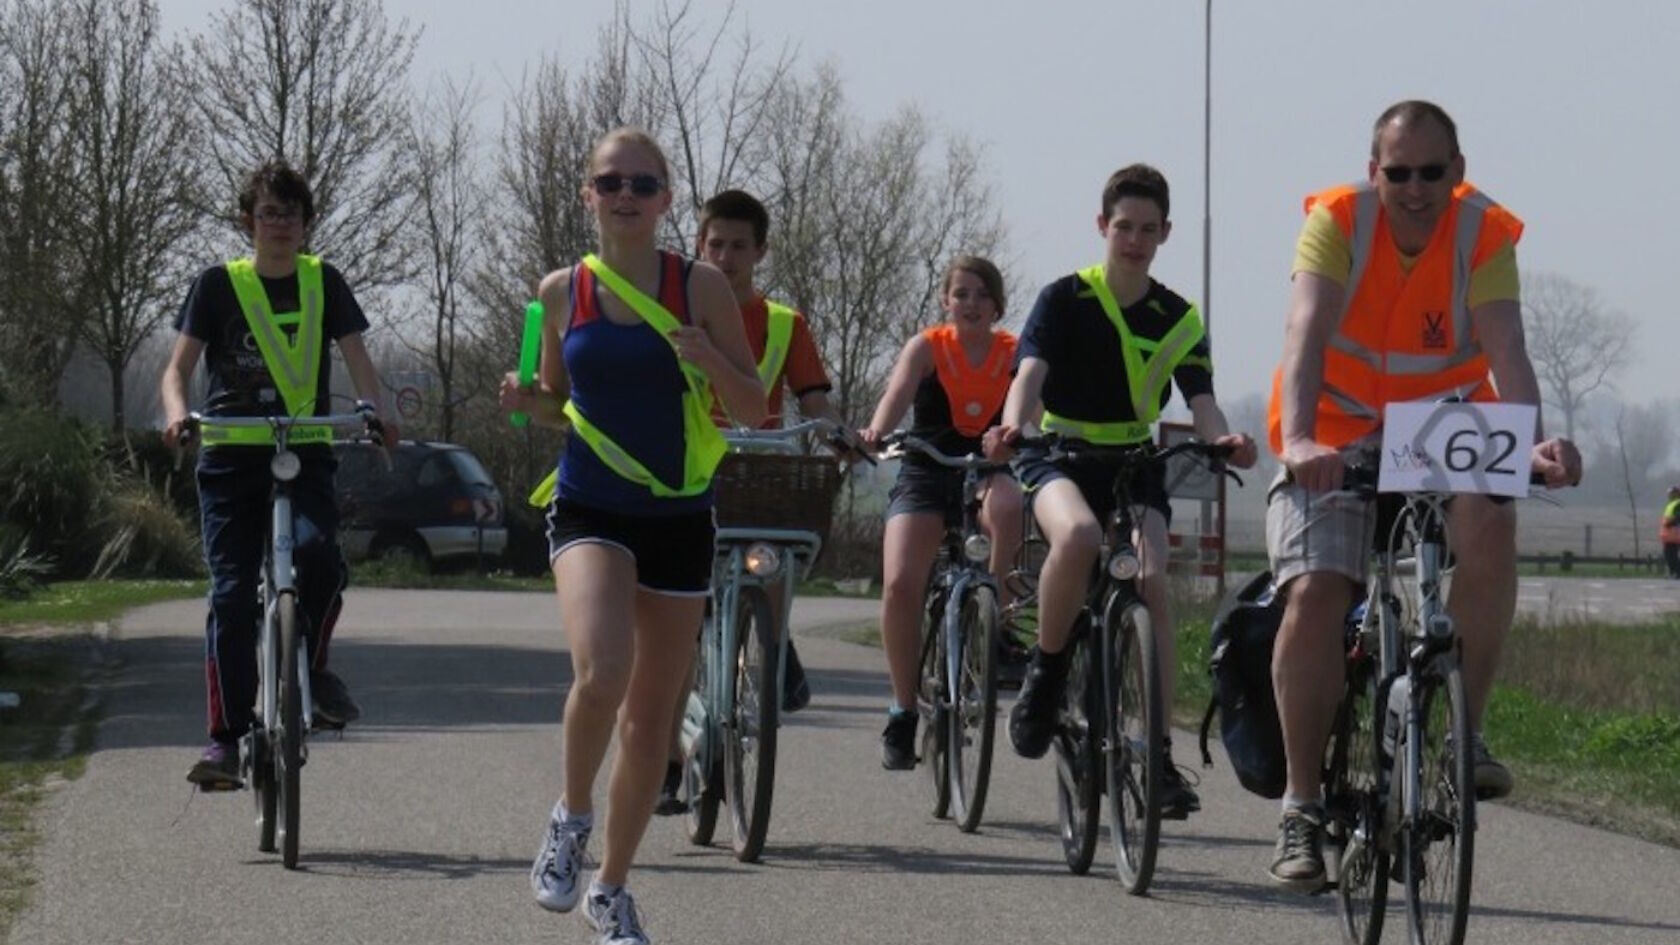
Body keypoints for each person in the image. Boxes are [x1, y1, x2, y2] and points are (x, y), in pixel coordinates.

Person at [1264, 100, 1582, 892]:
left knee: (1490, 519)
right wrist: (1299, 440)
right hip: (1334, 433)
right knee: (1316, 591)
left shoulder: (1482, 232)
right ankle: (1301, 805)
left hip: (1441, 427)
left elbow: (1508, 349)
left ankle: (1461, 736)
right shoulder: (1338, 221)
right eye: (1398, 172)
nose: (1414, 188)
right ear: (1373, 172)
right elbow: (1306, 331)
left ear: (1457, 172)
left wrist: (1530, 443)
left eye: (1431, 172)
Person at [499, 127, 766, 945]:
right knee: (603, 668)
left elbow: (753, 406)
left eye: (643, 184)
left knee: (651, 721)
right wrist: (526, 401)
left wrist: (707, 358)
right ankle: (571, 815)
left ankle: (611, 888)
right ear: (589, 194)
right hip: (591, 505)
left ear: (665, 200)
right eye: (611, 182)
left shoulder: (701, 286)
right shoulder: (560, 292)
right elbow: (557, 403)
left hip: (680, 513)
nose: (626, 195)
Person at [991, 164, 1257, 818]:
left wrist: (1223, 440)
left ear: (1165, 233)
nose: (1134, 240)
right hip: (1059, 453)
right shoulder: (1063, 298)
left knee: (1153, 578)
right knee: (1080, 535)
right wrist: (1014, 425)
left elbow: (1202, 402)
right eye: (1123, 227)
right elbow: (1029, 375)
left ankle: (1158, 755)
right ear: (1101, 226)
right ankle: (1046, 672)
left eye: (1147, 229)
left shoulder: (1178, 317)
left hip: (1135, 462)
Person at [160, 160, 396, 790]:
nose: (280, 225)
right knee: (231, 597)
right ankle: (225, 738)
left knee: (321, 561)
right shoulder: (216, 286)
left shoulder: (325, 282)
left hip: (304, 451)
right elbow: (176, 370)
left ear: (306, 223)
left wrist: (375, 411)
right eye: (269, 214)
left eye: (291, 214)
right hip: (231, 457)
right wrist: (179, 413)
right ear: (249, 222)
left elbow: (358, 359)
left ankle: (312, 671)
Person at [650, 188, 844, 816]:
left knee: (781, 554)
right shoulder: (672, 316)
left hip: (760, 475)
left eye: (739, 246)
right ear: (698, 246)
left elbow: (813, 401)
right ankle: (669, 762)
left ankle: (775, 646)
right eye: (716, 245)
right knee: (683, 632)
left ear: (761, 251)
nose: (726, 257)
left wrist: (836, 435)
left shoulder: (785, 324)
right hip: (687, 472)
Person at [858, 255, 1025, 770]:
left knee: (1011, 504)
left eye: (982, 295)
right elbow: (896, 396)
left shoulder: (1014, 352)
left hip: (988, 472)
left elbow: (1032, 406)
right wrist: (876, 431)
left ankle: (995, 622)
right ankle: (903, 710)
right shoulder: (927, 347)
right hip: (926, 470)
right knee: (900, 584)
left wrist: (1018, 435)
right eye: (961, 294)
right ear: (945, 301)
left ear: (997, 305)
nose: (971, 304)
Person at [1658, 486, 1680, 579]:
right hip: (1668, 535)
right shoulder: (1671, 504)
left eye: (1671, 493)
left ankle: (1677, 572)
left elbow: (1678, 516)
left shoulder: (1677, 503)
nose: (1669, 495)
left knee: (1671, 555)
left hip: (1674, 534)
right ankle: (1673, 572)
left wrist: (1670, 523)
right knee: (1669, 555)